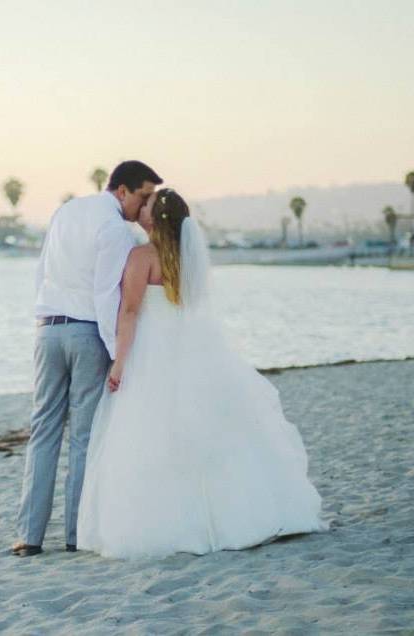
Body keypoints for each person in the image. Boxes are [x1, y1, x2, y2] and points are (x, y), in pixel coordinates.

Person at [77, 188, 327, 559]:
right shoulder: (189, 258)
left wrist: (118, 362)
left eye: (145, 205)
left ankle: (174, 522)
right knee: (206, 436)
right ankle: (232, 516)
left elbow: (128, 313)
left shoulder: (142, 257)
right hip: (189, 351)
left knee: (153, 438)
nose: (140, 208)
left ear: (152, 218)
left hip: (152, 353)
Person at [11, 161, 162, 557]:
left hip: (47, 329)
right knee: (82, 436)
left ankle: (29, 536)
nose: (145, 206)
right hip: (85, 332)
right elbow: (105, 295)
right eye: (143, 196)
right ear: (123, 191)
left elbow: (41, 269)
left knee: (42, 431)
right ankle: (76, 534)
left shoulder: (66, 210)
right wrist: (117, 355)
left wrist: (42, 316)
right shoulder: (115, 230)